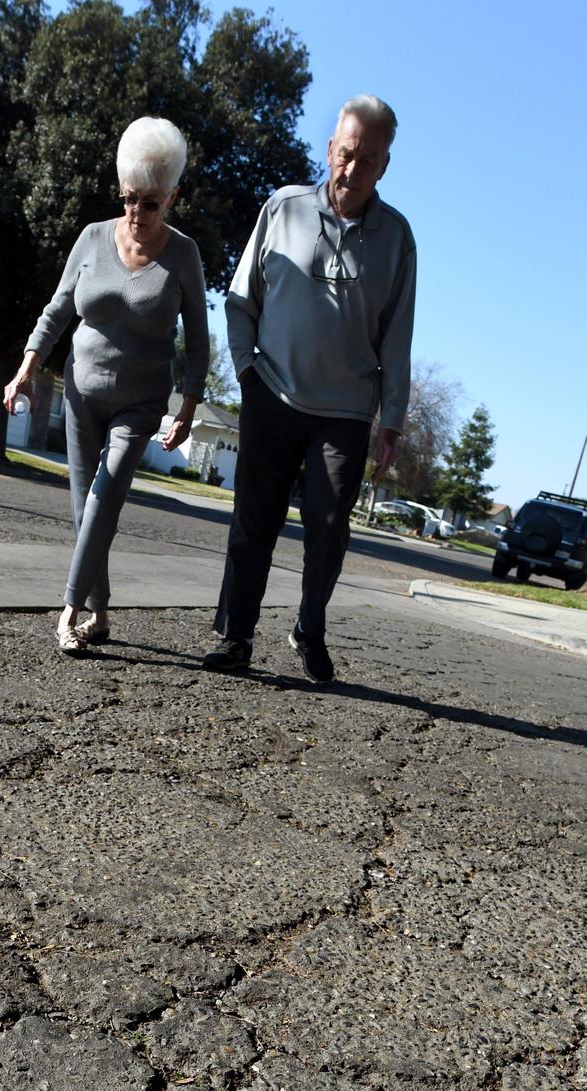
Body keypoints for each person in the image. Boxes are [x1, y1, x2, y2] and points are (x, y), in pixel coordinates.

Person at [203, 95, 416, 683]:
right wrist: (245, 370)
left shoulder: (397, 238)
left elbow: (397, 335)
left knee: (327, 525)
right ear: (329, 149)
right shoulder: (283, 208)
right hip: (271, 389)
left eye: (367, 160)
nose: (352, 169)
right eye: (346, 154)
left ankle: (309, 627)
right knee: (254, 520)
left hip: (346, 409)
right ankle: (236, 636)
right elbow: (241, 298)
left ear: (385, 165)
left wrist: (391, 420)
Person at [5, 116, 208, 654]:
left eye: (150, 203)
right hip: (81, 392)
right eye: (128, 199)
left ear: (172, 197)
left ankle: (68, 611)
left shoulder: (184, 255)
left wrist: (188, 406)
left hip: (140, 403)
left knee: (105, 495)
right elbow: (57, 310)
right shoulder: (93, 238)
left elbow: (199, 340)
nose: (136, 212)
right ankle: (99, 611)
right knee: (84, 507)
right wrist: (27, 367)